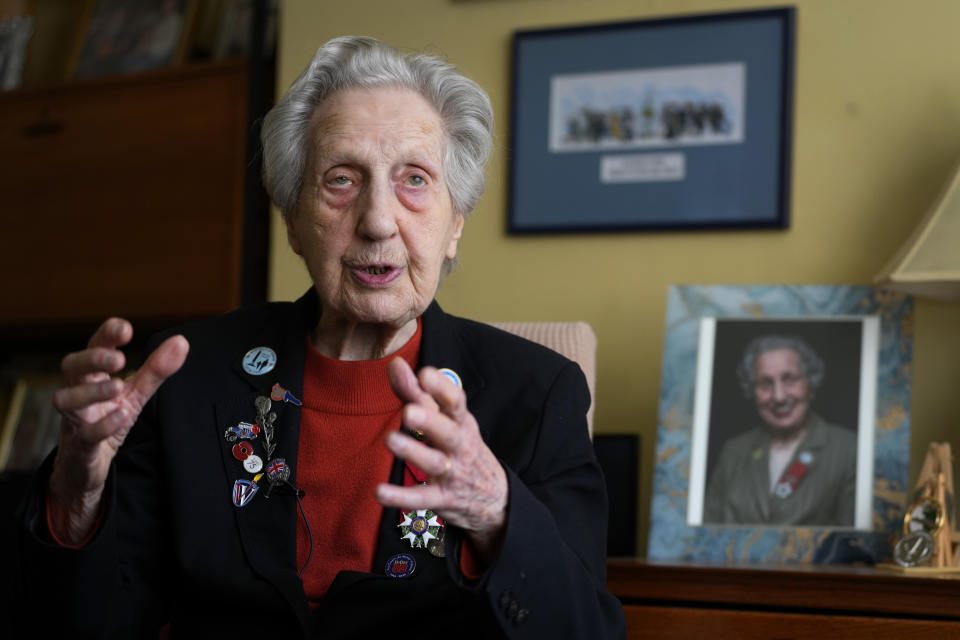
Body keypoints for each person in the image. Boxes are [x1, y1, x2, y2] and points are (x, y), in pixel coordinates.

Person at [17, 36, 625, 638]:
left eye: (414, 179)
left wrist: (498, 513)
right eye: (341, 179)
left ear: (456, 224)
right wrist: (76, 496)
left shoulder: (536, 394)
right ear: (293, 221)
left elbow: (588, 630)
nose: (379, 220)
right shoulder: (189, 375)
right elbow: (90, 622)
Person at [703, 335, 857, 526]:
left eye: (790, 379)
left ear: (810, 384)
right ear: (752, 390)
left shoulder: (849, 450)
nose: (779, 396)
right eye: (765, 384)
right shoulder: (733, 452)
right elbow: (706, 534)